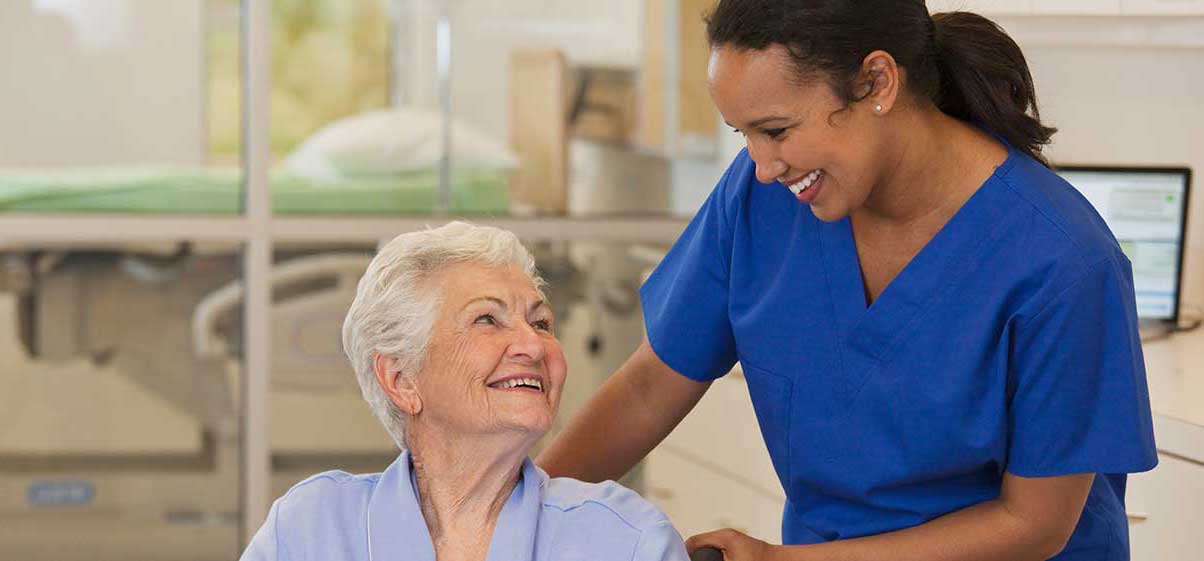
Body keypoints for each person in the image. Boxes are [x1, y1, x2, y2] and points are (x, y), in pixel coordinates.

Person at [538, 2, 1157, 560]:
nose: (760, 166)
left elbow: (1033, 525)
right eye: (743, 134)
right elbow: (652, 384)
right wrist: (515, 515)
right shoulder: (765, 200)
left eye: (776, 130)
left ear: (877, 82)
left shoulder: (1064, 262)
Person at [240, 222, 689, 561]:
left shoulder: (628, 541)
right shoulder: (310, 530)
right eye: (487, 320)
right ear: (401, 380)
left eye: (541, 323)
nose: (533, 345)